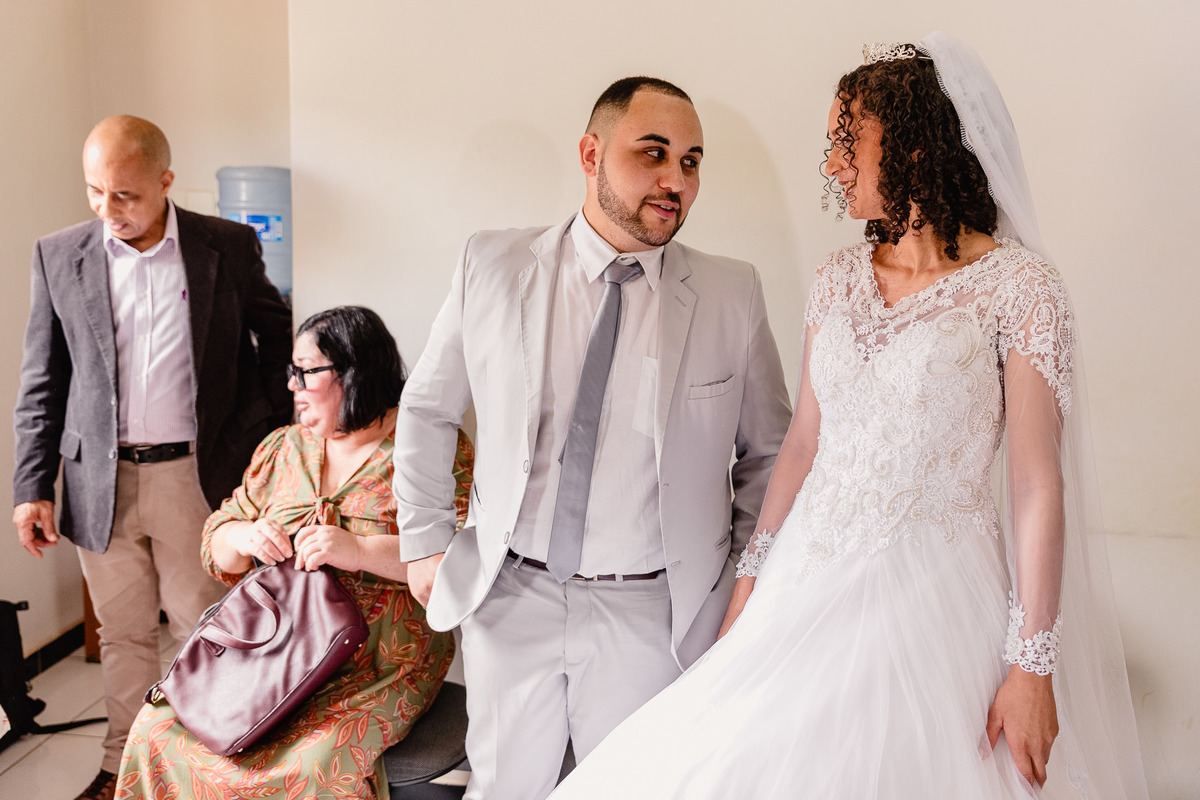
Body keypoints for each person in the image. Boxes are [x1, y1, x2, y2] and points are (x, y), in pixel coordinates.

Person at [548, 33, 1148, 799]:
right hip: (805, 576)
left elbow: (1036, 484)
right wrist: (750, 584)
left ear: (912, 143)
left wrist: (1032, 664)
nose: (831, 164)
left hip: (936, 593)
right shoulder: (837, 279)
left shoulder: (1021, 289)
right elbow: (803, 444)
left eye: (845, 141)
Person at [392, 76, 792, 800]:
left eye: (693, 162)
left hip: (652, 613)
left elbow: (769, 453)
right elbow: (426, 408)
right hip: (511, 594)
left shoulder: (733, 294)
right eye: (654, 153)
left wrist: (740, 583)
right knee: (504, 789)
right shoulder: (493, 264)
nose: (676, 180)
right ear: (591, 153)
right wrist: (423, 539)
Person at [11, 115, 293, 800]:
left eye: (125, 196)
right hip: (95, 482)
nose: (109, 212)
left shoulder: (226, 245)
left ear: (165, 181)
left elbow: (276, 338)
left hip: (195, 476)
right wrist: (31, 485)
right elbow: (41, 377)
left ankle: (199, 766)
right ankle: (121, 769)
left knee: (205, 626)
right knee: (124, 633)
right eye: (95, 193)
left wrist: (267, 444)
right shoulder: (58, 254)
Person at [115, 305, 474, 800]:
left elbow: (463, 558)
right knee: (157, 728)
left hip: (375, 666)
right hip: (272, 654)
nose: (292, 385)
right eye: (292, 371)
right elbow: (215, 539)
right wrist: (243, 536)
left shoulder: (428, 450)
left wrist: (362, 549)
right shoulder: (283, 448)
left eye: (305, 371)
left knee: (308, 766)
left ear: (354, 372)